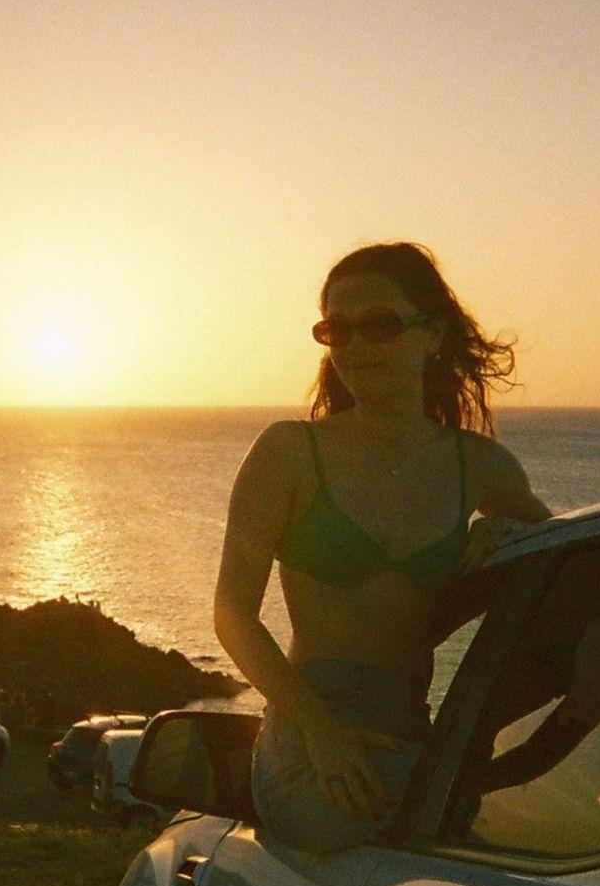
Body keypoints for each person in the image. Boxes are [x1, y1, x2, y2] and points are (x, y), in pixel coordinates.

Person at [214, 241, 553, 852]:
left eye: (380, 325)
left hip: (409, 725)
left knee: (473, 834)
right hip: (309, 729)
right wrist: (320, 731)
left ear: (434, 335)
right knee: (400, 829)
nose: (356, 346)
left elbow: (574, 569)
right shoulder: (290, 454)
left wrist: (509, 536)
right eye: (338, 330)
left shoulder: (479, 467)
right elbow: (233, 614)